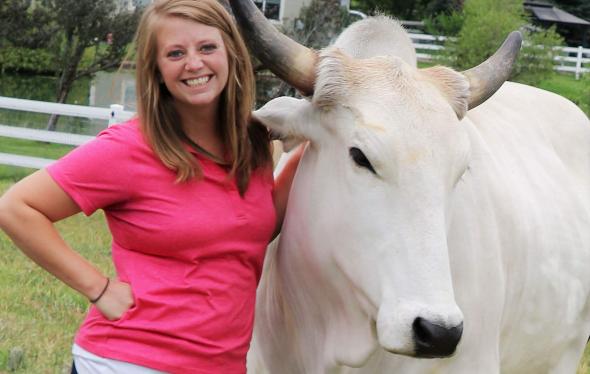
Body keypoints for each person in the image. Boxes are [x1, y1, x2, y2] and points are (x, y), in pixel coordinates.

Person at [0, 0, 303, 373]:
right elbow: (16, 207)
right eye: (175, 53)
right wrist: (98, 288)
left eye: (207, 47)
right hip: (129, 361)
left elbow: (249, 230)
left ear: (231, 54)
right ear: (157, 70)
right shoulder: (129, 149)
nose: (194, 63)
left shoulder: (253, 144)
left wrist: (310, 149)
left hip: (221, 364)